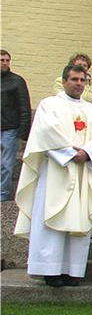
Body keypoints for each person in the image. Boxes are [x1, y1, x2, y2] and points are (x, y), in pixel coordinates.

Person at [15, 64, 92, 286]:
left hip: (83, 170)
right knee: (52, 216)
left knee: (79, 217)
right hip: (57, 170)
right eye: (74, 79)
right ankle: (50, 270)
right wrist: (70, 153)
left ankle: (72, 271)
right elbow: (47, 133)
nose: (78, 84)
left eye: (82, 80)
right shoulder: (50, 105)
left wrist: (87, 153)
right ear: (64, 81)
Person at [1, 50, 31, 202]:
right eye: (2, 60)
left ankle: (3, 196)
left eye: (7, 60)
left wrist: (23, 131)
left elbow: (24, 106)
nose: (5, 63)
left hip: (9, 129)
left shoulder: (16, 81)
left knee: (6, 165)